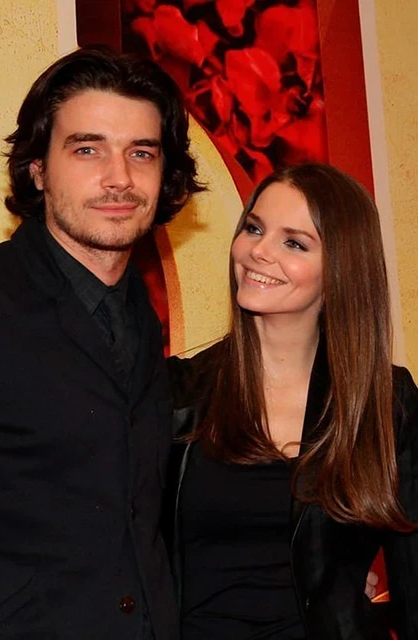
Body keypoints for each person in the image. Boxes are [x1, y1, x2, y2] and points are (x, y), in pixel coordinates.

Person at [0, 46, 203, 639]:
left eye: (142, 153)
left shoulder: (139, 315)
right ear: (38, 169)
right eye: (88, 149)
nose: (120, 178)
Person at [165, 162, 418, 639]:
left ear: (341, 269)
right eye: (254, 228)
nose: (259, 251)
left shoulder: (385, 402)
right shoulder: (177, 392)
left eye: (294, 243)